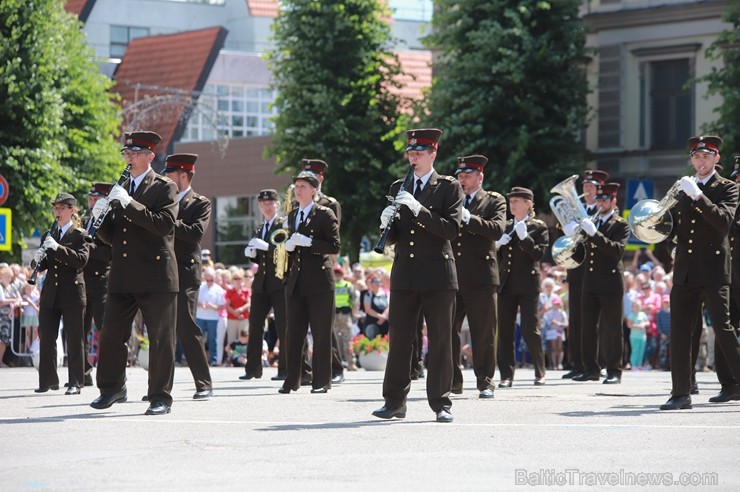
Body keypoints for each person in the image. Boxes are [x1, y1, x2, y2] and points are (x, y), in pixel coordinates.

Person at [372, 128, 463, 423]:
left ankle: (441, 402)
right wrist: (386, 224)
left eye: (419, 153)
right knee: (399, 339)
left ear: (433, 154)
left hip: (438, 273)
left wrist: (419, 209)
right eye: (410, 153)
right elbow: (399, 236)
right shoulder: (400, 185)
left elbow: (451, 230)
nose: (413, 157)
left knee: (439, 340)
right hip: (406, 274)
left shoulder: (449, 187)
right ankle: (394, 401)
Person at [90, 130, 179, 416]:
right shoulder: (122, 187)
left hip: (155, 274)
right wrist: (99, 218)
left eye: (135, 153)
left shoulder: (164, 187)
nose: (129, 158)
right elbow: (112, 237)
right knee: (111, 332)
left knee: (160, 336)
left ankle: (160, 396)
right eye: (127, 153)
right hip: (124, 274)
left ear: (150, 156)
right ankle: (112, 388)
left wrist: (129, 203)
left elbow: (164, 225)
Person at [661, 136, 740, 409]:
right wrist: (656, 225)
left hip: (714, 270)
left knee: (723, 327)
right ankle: (681, 393)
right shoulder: (681, 189)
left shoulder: (727, 188)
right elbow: (670, 227)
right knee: (680, 332)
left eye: (706, 156)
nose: (701, 161)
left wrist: (698, 195)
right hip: (685, 271)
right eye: (696, 157)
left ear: (716, 158)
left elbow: (723, 222)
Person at [450, 154, 506, 398]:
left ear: (479, 177)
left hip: (481, 278)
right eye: (460, 175)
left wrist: (468, 218)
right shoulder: (450, 199)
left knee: (482, 332)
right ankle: (453, 380)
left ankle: (485, 380)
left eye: (467, 175)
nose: (462, 179)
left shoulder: (494, 200)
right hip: (452, 276)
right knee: (447, 330)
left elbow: (497, 229)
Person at [278, 171, 340, 394]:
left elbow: (334, 246)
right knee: (292, 333)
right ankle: (292, 379)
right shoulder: (293, 215)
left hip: (320, 282)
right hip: (296, 281)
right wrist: (290, 248)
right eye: (296, 186)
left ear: (314, 190)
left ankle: (322, 381)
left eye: (303, 186)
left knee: (321, 333)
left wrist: (309, 242)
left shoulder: (325, 214)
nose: (298, 189)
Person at [163, 153, 213, 400]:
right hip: (162, 271)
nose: (166, 179)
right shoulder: (163, 201)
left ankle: (203, 383)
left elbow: (195, 233)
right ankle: (159, 387)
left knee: (186, 325)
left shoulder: (199, 203)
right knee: (162, 329)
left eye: (170, 175)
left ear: (183, 176)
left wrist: (167, 219)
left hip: (185, 271)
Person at [32, 193, 91, 394]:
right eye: (55, 208)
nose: (57, 212)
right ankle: (48, 380)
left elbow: (81, 260)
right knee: (47, 337)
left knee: (74, 338)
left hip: (72, 292)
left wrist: (57, 248)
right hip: (51, 292)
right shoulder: (49, 235)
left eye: (62, 208)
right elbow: (43, 265)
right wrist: (36, 260)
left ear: (72, 211)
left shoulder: (81, 235)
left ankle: (76, 382)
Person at [573, 182, 630, 384]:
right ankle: (591, 369)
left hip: (610, 282)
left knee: (612, 329)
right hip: (590, 281)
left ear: (614, 201)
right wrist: (574, 238)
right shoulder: (592, 221)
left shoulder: (620, 224)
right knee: (587, 327)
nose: (600, 202)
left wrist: (594, 234)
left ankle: (614, 370)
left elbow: (616, 251)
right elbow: (581, 253)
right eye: (598, 199)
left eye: (605, 199)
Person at [496, 187, 549, 387]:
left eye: (517, 201)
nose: (512, 205)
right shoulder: (506, 226)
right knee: (505, 331)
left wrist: (525, 237)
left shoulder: (539, 227)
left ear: (528, 203)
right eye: (511, 201)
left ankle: (539, 371)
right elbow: (496, 258)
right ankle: (506, 375)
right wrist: (497, 245)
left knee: (529, 329)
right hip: (507, 284)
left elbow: (538, 255)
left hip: (528, 284)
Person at [300, 159, 345, 384]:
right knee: (300, 323)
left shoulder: (329, 204)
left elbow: (333, 240)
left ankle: (335, 367)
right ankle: (304, 370)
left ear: (320, 179)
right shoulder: (296, 200)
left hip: (321, 264)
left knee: (323, 323)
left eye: (312, 176)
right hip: (300, 267)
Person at [562, 169, 608, 379]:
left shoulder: (600, 213)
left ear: (599, 190)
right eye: (585, 187)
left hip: (596, 271)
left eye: (590, 187)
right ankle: (577, 364)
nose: (586, 191)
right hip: (577, 269)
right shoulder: (576, 211)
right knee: (576, 320)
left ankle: (596, 363)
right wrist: (567, 229)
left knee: (593, 322)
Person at [242, 189, 289, 380]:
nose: (267, 207)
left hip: (279, 282)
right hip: (261, 283)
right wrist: (253, 254)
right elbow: (260, 259)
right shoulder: (259, 227)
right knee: (255, 326)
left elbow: (284, 252)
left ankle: (285, 369)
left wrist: (266, 247)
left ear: (277, 205)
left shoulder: (282, 225)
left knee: (283, 326)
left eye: (270, 203)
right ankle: (252, 368)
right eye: (263, 204)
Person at [81, 182, 113, 386]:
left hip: (101, 281)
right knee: (79, 329)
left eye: (95, 200)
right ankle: (82, 373)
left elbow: (109, 253)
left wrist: (88, 247)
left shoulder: (109, 221)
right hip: (83, 281)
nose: (91, 203)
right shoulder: (83, 221)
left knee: (106, 329)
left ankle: (111, 372)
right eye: (90, 199)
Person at [196, 266, 226, 366]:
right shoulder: (199, 287)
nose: (209, 281)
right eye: (207, 279)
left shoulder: (219, 290)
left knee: (213, 339)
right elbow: (194, 301)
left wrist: (213, 306)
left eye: (211, 280)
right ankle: (199, 359)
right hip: (200, 316)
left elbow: (221, 306)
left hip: (213, 318)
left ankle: (213, 359)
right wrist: (201, 305)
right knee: (199, 338)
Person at [362, 269, 389, 339]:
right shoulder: (368, 295)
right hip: (372, 323)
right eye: (375, 281)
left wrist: (384, 316)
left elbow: (388, 306)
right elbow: (368, 310)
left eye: (379, 281)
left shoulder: (385, 293)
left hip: (385, 323)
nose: (378, 283)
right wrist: (380, 317)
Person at [543, 295, 567, 370]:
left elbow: (566, 323)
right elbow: (546, 323)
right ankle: (553, 364)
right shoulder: (549, 313)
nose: (556, 305)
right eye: (555, 304)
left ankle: (559, 363)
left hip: (560, 331)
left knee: (560, 348)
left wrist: (559, 324)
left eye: (558, 304)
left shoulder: (562, 313)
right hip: (551, 332)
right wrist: (552, 323)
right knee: (552, 348)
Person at [626, 299, 649, 370]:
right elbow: (629, 325)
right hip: (634, 337)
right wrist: (638, 326)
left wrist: (644, 324)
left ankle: (639, 364)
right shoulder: (631, 315)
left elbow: (648, 322)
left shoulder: (643, 314)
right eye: (635, 306)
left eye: (638, 306)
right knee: (635, 351)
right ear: (632, 307)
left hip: (642, 337)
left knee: (641, 351)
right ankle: (633, 365)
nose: (637, 307)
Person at [20, 283, 39, 353]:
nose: (28, 290)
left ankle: (33, 348)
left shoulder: (35, 296)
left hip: (34, 316)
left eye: (30, 288)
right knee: (28, 332)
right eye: (27, 289)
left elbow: (39, 299)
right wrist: (36, 308)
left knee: (35, 332)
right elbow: (30, 302)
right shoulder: (24, 296)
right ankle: (28, 348)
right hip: (27, 316)